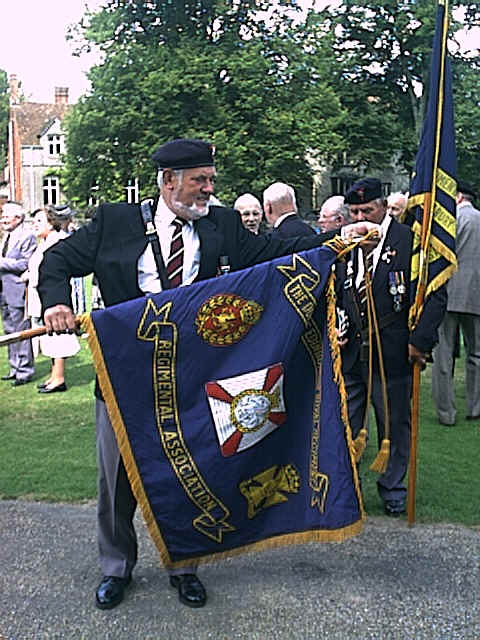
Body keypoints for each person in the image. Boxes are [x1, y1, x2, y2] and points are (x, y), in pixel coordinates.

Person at [38, 138, 380, 611]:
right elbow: (58, 262)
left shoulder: (221, 224)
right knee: (116, 482)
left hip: (195, 383)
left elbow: (273, 252)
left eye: (211, 180)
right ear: (168, 182)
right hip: (124, 382)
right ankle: (116, 568)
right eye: (200, 181)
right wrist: (56, 301)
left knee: (191, 472)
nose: (208, 189)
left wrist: (334, 242)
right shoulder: (115, 221)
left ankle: (186, 567)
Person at [338, 177, 446, 516]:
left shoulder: (408, 241)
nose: (359, 218)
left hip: (392, 353)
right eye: (354, 211)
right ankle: (348, 488)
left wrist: (420, 341)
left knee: (393, 425)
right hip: (353, 353)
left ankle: (393, 489)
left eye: (366, 210)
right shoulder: (347, 242)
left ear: (383, 207)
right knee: (346, 423)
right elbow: (340, 291)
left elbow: (435, 294)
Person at [432, 180, 480, 425]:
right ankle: (475, 407)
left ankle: (446, 412)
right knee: (477, 354)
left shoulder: (451, 220)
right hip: (477, 295)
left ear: (458, 196)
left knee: (444, 355)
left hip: (449, 293)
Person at [23, 206, 80, 393]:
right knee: (48, 335)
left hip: (55, 298)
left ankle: (59, 378)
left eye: (39, 221)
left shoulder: (59, 242)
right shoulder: (45, 242)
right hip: (39, 296)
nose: (35, 225)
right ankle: (54, 375)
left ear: (51, 223)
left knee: (58, 334)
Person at [0, 201, 37, 386]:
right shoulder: (6, 237)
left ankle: (24, 371)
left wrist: (1, 262)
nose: (3, 219)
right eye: (2, 216)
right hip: (3, 291)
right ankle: (14, 367)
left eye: (6, 216)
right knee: (9, 330)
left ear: (18, 218)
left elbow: (25, 264)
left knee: (21, 331)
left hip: (17, 290)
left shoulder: (27, 236)